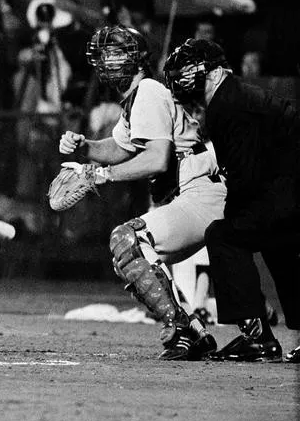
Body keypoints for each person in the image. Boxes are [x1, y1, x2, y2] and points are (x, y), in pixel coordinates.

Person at [58, 24, 224, 360]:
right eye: (105, 53)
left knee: (126, 240)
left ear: (134, 59)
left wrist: (102, 175)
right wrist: (85, 146)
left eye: (115, 52)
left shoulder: (147, 90)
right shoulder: (138, 97)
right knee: (136, 251)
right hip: (192, 191)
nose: (107, 59)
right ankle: (194, 330)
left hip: (201, 191)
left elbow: (157, 158)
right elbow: (120, 147)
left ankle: (182, 329)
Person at [163, 39, 300, 363]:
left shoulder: (228, 103)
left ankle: (257, 337)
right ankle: (261, 331)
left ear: (212, 72)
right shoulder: (234, 96)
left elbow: (244, 180)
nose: (182, 78)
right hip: (287, 190)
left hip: (287, 190)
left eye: (188, 69)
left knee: (223, 236)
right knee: (279, 244)